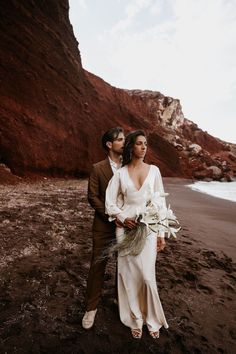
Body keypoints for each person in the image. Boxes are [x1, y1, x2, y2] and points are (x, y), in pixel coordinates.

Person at [105, 130, 169, 339]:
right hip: (126, 229)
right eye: (139, 143)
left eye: (146, 144)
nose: (144, 147)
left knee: (147, 276)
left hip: (148, 229)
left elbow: (160, 204)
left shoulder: (155, 171)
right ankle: (134, 319)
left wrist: (161, 233)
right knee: (129, 275)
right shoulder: (120, 174)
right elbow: (110, 202)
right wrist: (122, 218)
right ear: (131, 147)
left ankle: (151, 318)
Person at [82, 127, 125, 330]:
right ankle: (91, 308)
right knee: (97, 266)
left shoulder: (130, 166)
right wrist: (112, 216)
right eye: (120, 140)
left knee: (124, 266)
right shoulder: (97, 168)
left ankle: (121, 301)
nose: (124, 143)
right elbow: (93, 197)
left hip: (127, 227)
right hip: (103, 225)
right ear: (109, 144)